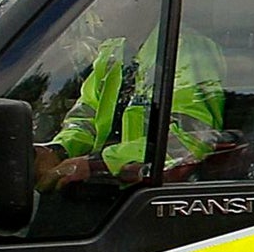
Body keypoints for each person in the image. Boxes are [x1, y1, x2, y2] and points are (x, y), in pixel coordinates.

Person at [34, 27, 227, 189]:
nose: (99, 6)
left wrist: (97, 166)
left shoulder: (184, 49)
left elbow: (191, 138)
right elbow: (86, 118)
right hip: (106, 195)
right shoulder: (113, 51)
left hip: (154, 197)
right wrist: (59, 151)